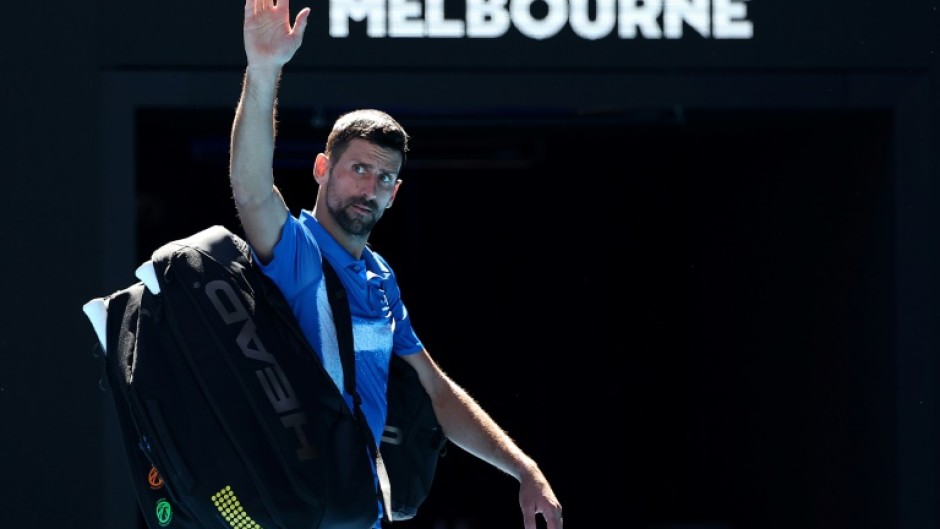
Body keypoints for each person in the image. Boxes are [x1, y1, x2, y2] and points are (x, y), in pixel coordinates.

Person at [228, 0, 564, 528]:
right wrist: (264, 68)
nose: (370, 188)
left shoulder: (381, 279)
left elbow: (437, 393)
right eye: (358, 169)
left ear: (396, 192)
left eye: (384, 179)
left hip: (361, 514)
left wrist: (524, 469)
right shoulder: (296, 252)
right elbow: (250, 192)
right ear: (322, 168)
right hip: (297, 514)